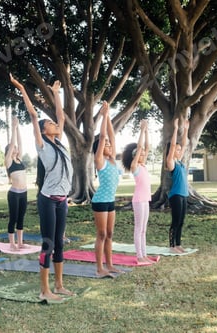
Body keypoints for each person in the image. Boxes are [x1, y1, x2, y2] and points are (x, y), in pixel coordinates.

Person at [10, 73, 74, 301]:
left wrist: (57, 94)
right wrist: (21, 87)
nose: (55, 124)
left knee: (58, 243)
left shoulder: (59, 143)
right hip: (47, 199)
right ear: (44, 131)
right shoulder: (42, 146)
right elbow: (33, 114)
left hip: (62, 199)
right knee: (47, 243)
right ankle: (44, 289)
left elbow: (61, 117)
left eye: (54, 123)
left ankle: (58, 285)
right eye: (50, 124)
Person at [91, 101, 122, 277]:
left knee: (110, 234)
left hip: (110, 201)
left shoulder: (111, 161)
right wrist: (102, 117)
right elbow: (103, 137)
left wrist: (108, 115)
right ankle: (99, 268)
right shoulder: (100, 161)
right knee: (101, 234)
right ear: (101, 150)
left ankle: (109, 265)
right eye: (107, 146)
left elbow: (111, 136)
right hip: (100, 201)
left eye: (110, 145)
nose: (109, 146)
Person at [121, 119, 154, 263]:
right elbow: (141, 147)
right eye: (139, 154)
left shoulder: (143, 165)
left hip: (145, 200)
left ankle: (144, 255)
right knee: (138, 228)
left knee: (144, 230)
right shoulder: (135, 167)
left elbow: (147, 147)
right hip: (139, 200)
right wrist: (141, 130)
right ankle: (139, 256)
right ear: (135, 155)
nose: (142, 155)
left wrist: (146, 131)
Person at [166, 117, 190, 254]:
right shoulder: (171, 162)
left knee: (181, 221)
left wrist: (186, 129)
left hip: (184, 194)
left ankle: (178, 244)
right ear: (172, 150)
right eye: (177, 149)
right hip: (175, 195)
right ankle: (172, 246)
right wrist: (175, 129)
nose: (179, 150)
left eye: (180, 150)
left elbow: (184, 145)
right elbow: (173, 146)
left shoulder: (180, 161)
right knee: (175, 221)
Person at [4, 115, 28, 250]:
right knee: (13, 218)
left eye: (16, 148)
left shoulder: (19, 159)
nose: (16, 148)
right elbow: (13, 143)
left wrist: (18, 127)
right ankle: (12, 244)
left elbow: (20, 142)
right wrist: (13, 127)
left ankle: (20, 242)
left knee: (21, 218)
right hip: (14, 194)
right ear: (9, 151)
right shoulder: (9, 161)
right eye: (13, 148)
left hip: (24, 192)